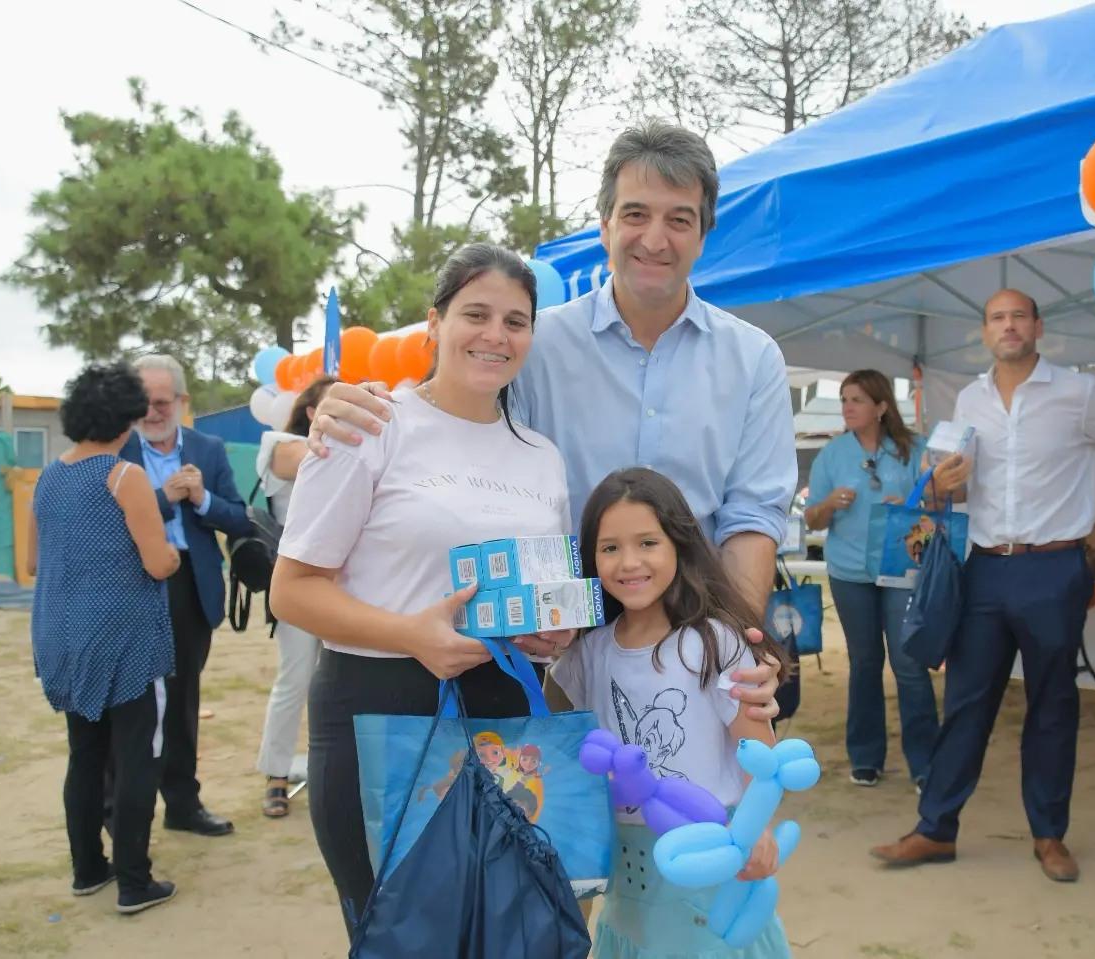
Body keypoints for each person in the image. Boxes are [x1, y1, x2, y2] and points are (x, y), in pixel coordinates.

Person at [307, 120, 791, 717]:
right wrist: (351, 408)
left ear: (703, 233)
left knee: (697, 809)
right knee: (568, 806)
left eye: (679, 219)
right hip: (556, 655)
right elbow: (453, 422)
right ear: (605, 224)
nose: (655, 238)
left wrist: (734, 650)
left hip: (695, 648)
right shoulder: (535, 344)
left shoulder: (753, 359)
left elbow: (751, 519)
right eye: (636, 214)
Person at [269, 244, 578, 932]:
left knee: (505, 926)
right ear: (433, 323)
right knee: (400, 930)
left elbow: (545, 588)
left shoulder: (542, 455)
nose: (496, 335)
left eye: (516, 321)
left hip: (503, 711)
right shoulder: (369, 424)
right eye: (476, 313)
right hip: (381, 707)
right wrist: (412, 634)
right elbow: (292, 591)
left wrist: (554, 632)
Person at [870, 289, 1095, 883]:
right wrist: (939, 487)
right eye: (997, 316)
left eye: (1018, 316)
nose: (1008, 326)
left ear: (1038, 327)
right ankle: (936, 830)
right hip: (982, 566)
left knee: (1052, 704)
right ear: (984, 331)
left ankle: (1049, 835)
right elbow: (939, 493)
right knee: (967, 702)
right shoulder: (969, 400)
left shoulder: (1078, 393)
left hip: (1053, 569)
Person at [551, 467, 791, 958]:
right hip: (628, 865)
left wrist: (758, 826)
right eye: (610, 547)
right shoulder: (585, 655)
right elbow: (557, 735)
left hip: (711, 855)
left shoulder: (712, 641)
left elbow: (757, 748)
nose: (629, 562)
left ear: (678, 546)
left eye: (647, 543)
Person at [29, 362, 180, 914]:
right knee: (138, 756)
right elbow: (158, 563)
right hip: (123, 642)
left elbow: (31, 562)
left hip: (60, 635)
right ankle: (135, 882)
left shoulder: (49, 476)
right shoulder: (123, 476)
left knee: (85, 756)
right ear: (125, 418)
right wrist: (168, 554)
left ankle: (88, 869)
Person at [120, 354, 252, 837]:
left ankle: (183, 804)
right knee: (130, 703)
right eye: (142, 404)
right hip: (133, 586)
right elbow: (106, 518)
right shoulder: (115, 448)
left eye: (160, 402)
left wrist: (202, 500)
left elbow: (239, 517)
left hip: (190, 587)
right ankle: (121, 815)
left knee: (182, 701)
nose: (151, 413)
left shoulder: (208, 449)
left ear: (181, 402)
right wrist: (163, 498)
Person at [803, 369, 938, 789]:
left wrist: (913, 508)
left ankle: (926, 762)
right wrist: (827, 503)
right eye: (844, 399)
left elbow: (938, 508)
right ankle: (865, 757)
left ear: (881, 407)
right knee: (864, 663)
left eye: (856, 400)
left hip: (900, 568)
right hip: (848, 571)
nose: (846, 407)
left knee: (909, 663)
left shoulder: (915, 448)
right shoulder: (832, 454)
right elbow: (812, 520)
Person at [254, 375, 337, 818]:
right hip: (301, 584)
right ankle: (277, 775)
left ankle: (342, 772)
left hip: (349, 585)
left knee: (345, 680)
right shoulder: (278, 443)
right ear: (311, 411)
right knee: (295, 678)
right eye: (336, 402)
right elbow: (302, 458)